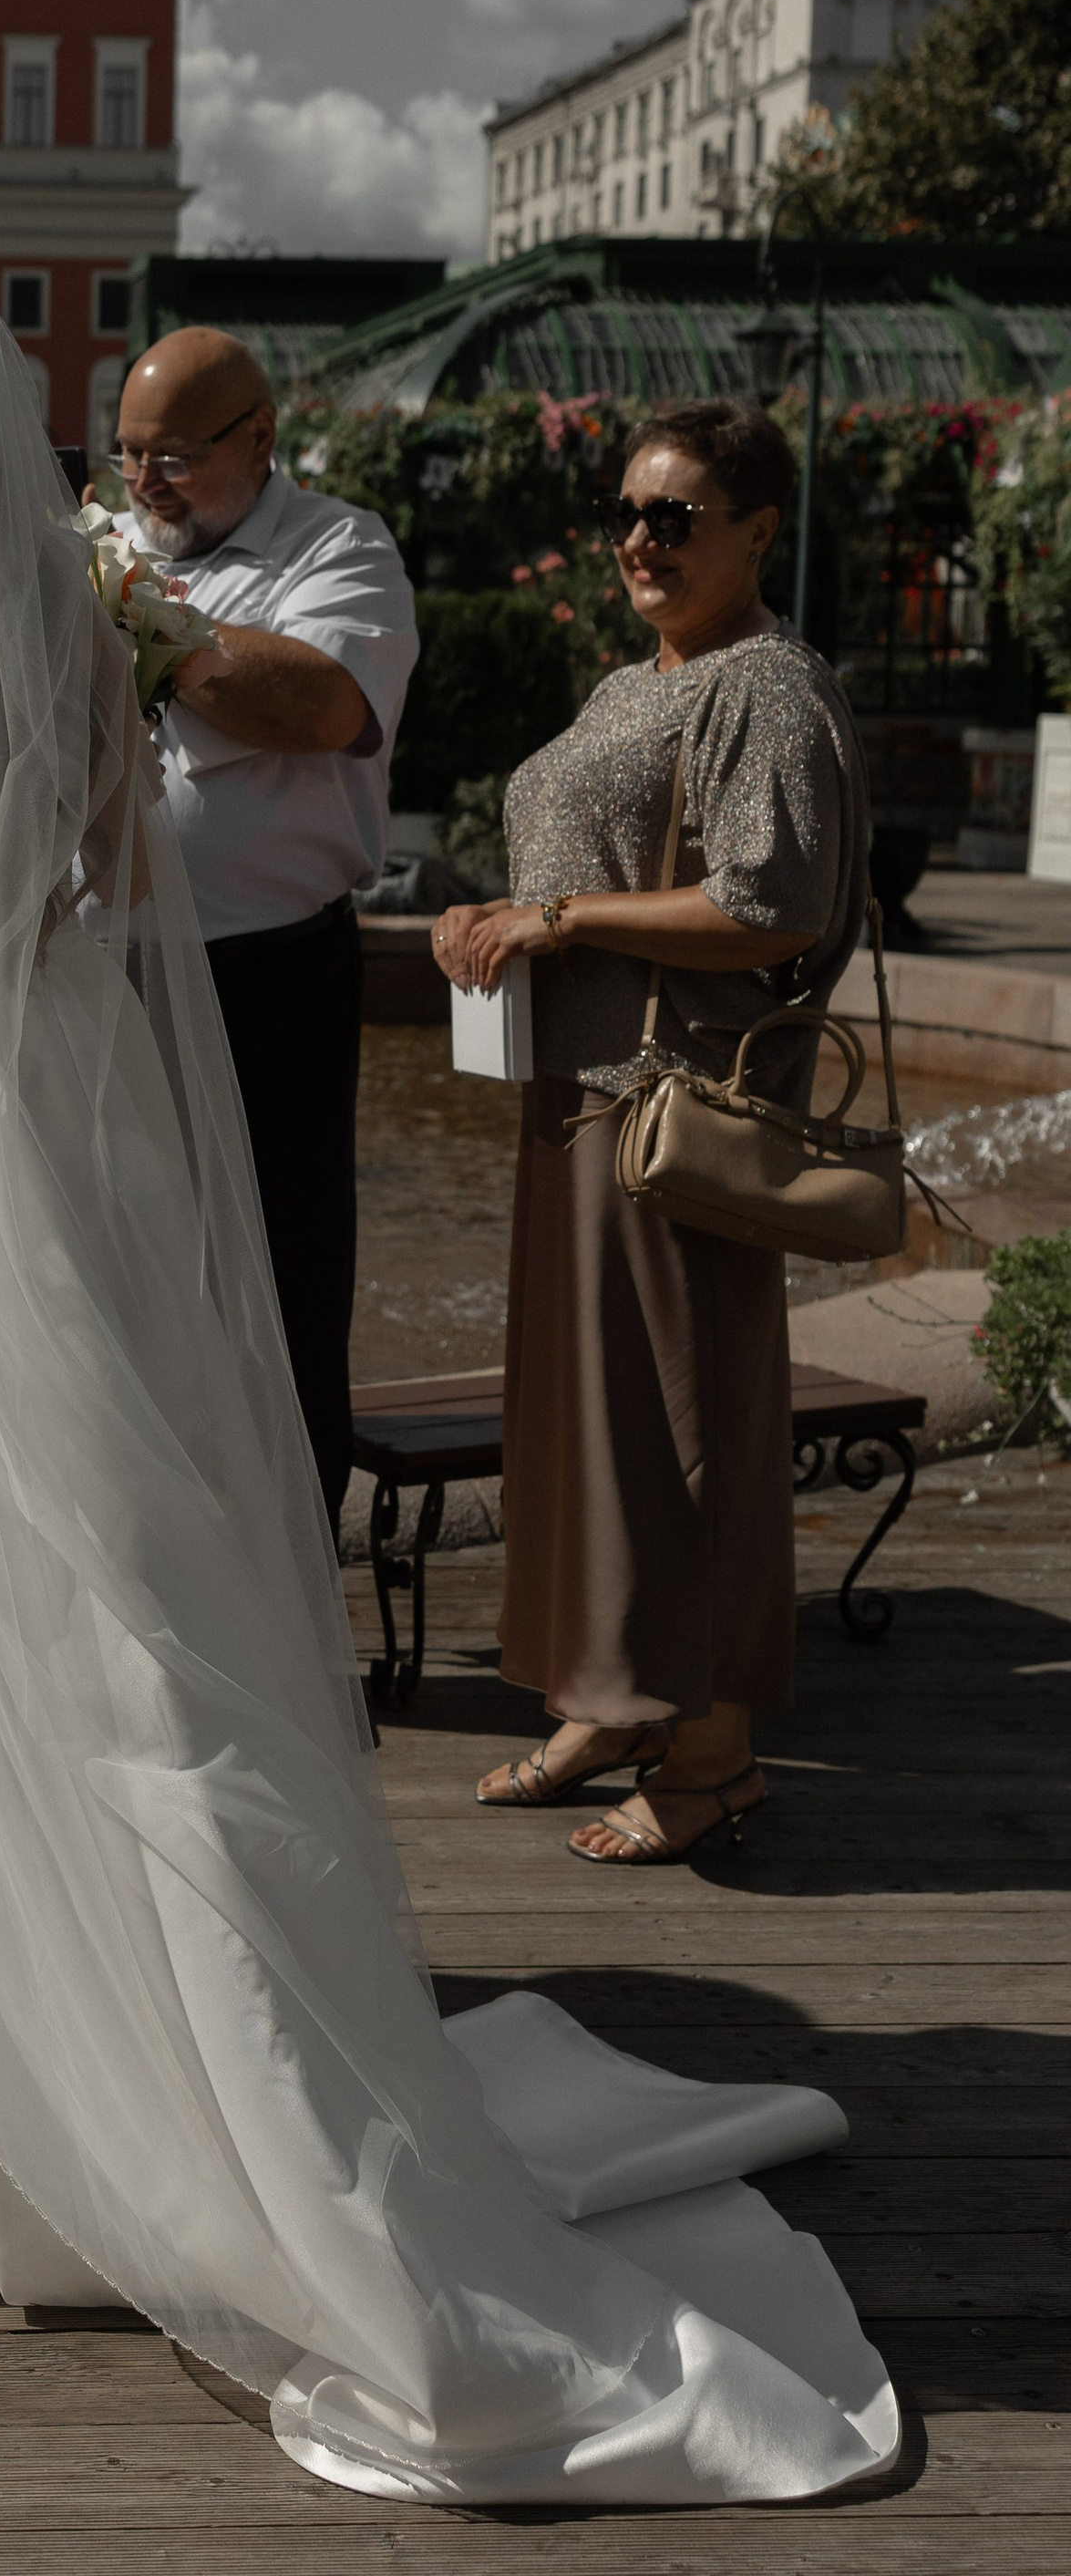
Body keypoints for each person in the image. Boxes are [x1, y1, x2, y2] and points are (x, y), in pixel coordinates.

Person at [0, 276, 898, 2509]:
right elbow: (98, 877)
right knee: (95, 1585)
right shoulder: (78, 630)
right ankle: (159, 2047)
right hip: (48, 1114)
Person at [442, 400, 868, 1865]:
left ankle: (710, 1754)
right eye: (626, 510)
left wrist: (555, 917)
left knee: (684, 1434)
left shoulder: (766, 686)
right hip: (588, 1099)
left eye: (674, 517)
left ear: (758, 527)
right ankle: (613, 1698)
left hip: (678, 1114)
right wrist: (494, 922)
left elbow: (774, 902)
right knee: (587, 1427)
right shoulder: (646, 680)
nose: (638, 537)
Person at [112, 330, 416, 1520]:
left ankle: (286, 1566)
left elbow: (320, 704)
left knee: (273, 1283)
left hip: (264, 985)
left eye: (176, 457)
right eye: (129, 456)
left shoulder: (337, 546)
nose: (144, 485)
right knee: (115, 1278)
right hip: (100, 977)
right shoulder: (106, 548)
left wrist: (135, 618)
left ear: (261, 437)